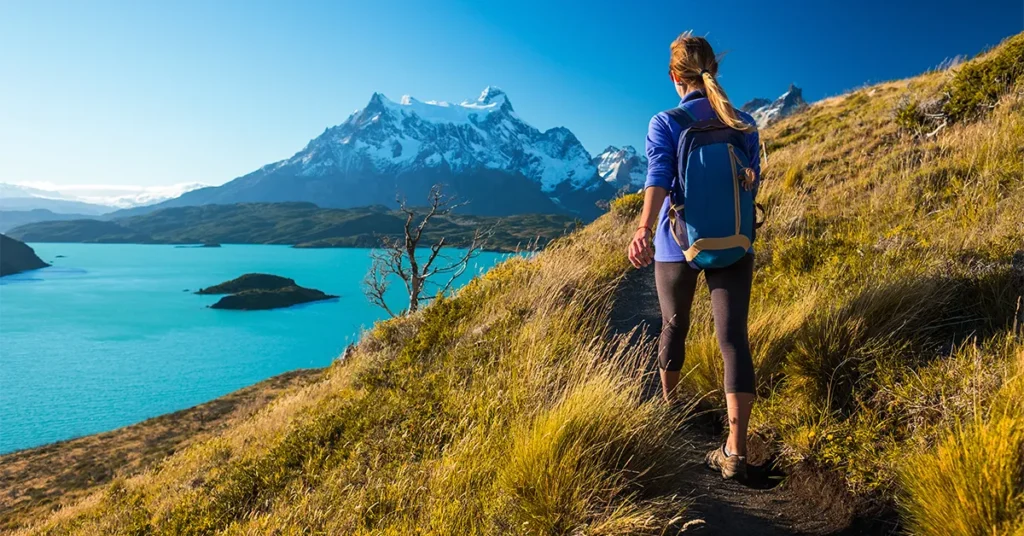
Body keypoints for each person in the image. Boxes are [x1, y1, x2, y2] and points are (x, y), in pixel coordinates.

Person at [627, 31, 760, 480]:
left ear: (673, 76)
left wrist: (644, 227)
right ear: (713, 71)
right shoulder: (744, 123)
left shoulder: (665, 122)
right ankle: (735, 451)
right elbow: (752, 181)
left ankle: (671, 409)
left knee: (674, 323)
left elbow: (659, 176)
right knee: (733, 338)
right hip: (736, 243)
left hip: (675, 243)